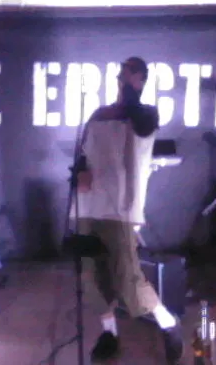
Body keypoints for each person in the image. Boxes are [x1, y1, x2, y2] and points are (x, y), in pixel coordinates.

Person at [73, 57, 183, 364]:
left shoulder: (145, 113)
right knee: (91, 275)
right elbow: (83, 151)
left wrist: (130, 92)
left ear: (142, 80)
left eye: (132, 72)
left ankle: (168, 324)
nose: (124, 75)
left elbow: (140, 123)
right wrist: (80, 171)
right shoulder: (99, 113)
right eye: (123, 71)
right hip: (88, 204)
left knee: (127, 277)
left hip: (120, 206)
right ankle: (109, 333)